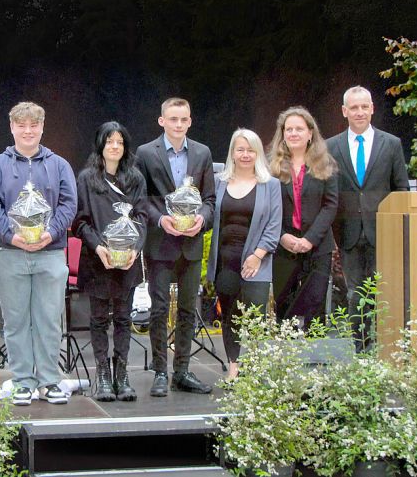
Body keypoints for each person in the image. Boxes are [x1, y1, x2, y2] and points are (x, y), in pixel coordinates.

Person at [0, 101, 77, 406]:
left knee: (49, 319)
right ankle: (23, 380)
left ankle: (49, 381)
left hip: (51, 253)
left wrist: (49, 234)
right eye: (21, 125)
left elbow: (68, 205)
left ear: (42, 127)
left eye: (33, 125)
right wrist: (13, 235)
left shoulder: (59, 164)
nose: (28, 131)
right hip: (10, 253)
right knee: (16, 320)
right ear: (12, 128)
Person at [135, 97, 216, 397]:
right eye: (173, 119)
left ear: (190, 121)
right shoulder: (145, 153)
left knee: (186, 310)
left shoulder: (202, 153)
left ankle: (181, 370)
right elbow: (140, 200)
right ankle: (159, 371)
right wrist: (160, 220)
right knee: (157, 310)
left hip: (192, 244)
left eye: (183, 120)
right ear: (162, 121)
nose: (178, 124)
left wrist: (202, 220)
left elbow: (210, 200)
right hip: (160, 244)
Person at [325, 86, 409, 347]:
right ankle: (361, 349)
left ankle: (384, 348)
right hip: (347, 233)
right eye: (354, 107)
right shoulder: (331, 147)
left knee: (382, 293)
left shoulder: (391, 144)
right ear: (344, 111)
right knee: (354, 294)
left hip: (383, 232)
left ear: (372, 108)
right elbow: (329, 193)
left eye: (364, 107)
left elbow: (402, 189)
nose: (359, 112)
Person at [73, 121, 146, 402]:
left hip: (127, 259)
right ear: (100, 145)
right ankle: (102, 374)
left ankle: (122, 375)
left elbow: (141, 217)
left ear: (125, 147)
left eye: (120, 142)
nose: (114, 147)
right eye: (109, 141)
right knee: (99, 318)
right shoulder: (87, 179)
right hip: (97, 259)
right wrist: (99, 247)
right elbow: (80, 221)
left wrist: (135, 249)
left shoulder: (136, 178)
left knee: (125, 318)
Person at [206, 128, 281, 380]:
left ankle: (258, 369)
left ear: (258, 153)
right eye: (240, 149)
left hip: (256, 262)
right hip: (224, 262)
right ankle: (234, 368)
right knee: (230, 317)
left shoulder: (270, 185)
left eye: (250, 150)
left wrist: (257, 255)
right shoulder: (218, 182)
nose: (245, 154)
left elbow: (273, 226)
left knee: (256, 319)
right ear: (232, 153)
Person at [268, 107, 338, 327]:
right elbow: (267, 209)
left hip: (317, 246)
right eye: (289, 129)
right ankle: (287, 358)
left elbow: (330, 205)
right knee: (284, 308)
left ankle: (314, 359)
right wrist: (281, 237)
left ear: (310, 133)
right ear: (283, 134)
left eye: (299, 129)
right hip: (283, 247)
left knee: (315, 305)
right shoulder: (271, 168)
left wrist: (309, 239)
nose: (293, 133)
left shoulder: (326, 164)